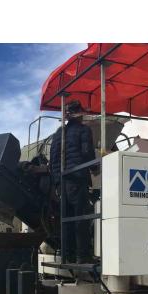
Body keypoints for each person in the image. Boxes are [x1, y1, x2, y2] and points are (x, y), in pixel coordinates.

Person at [49, 99, 96, 264]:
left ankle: (67, 254)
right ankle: (82, 255)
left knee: (66, 219)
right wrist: (95, 167)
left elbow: (53, 160)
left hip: (63, 182)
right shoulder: (84, 130)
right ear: (79, 115)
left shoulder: (58, 134)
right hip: (78, 178)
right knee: (81, 218)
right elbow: (87, 152)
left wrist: (57, 182)